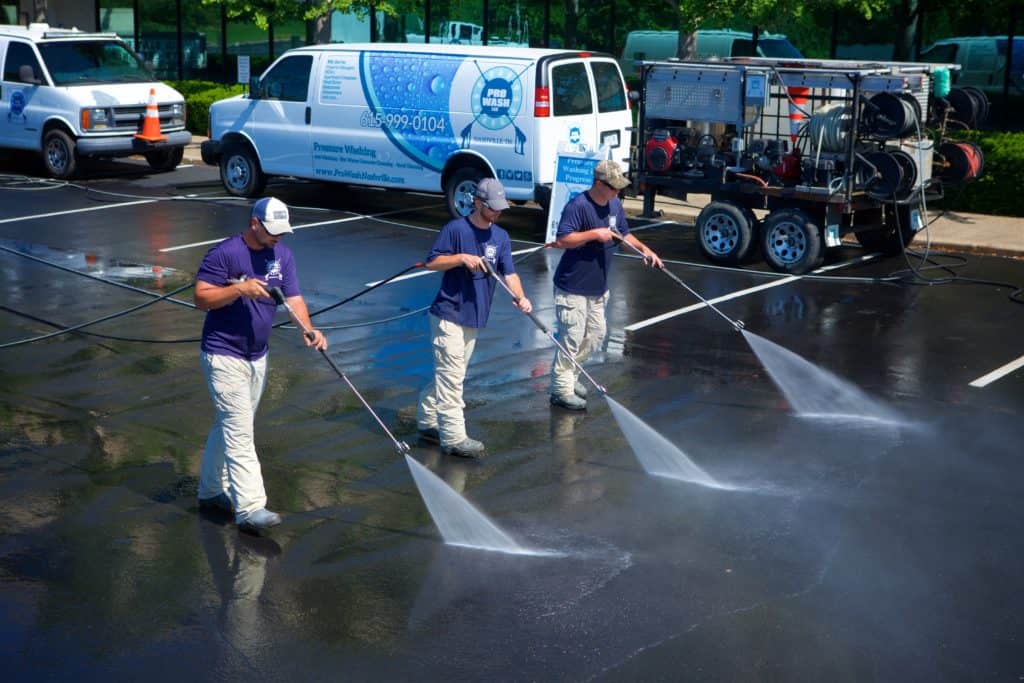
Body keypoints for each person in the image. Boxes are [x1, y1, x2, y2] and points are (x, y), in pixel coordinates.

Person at [194, 196, 327, 535]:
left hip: (258, 355)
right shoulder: (225, 253)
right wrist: (239, 289)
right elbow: (201, 297)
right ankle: (251, 508)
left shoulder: (282, 254)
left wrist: (308, 329)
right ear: (254, 223)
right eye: (272, 231)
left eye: (282, 231)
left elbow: (293, 298)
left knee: (231, 424)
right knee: (240, 431)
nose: (278, 238)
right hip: (224, 354)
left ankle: (210, 491)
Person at [417, 178, 532, 457]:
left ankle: (427, 418)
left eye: (500, 208)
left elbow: (510, 273)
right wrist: (460, 258)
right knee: (452, 377)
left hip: (474, 316)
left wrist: (521, 296)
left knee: (452, 374)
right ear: (478, 202)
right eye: (492, 208)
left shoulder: (501, 237)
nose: (497, 213)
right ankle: (454, 438)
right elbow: (433, 262)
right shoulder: (455, 229)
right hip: (449, 314)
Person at [549, 160, 663, 410]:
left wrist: (644, 250)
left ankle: (570, 375)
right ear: (599, 184)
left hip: (598, 288)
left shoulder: (614, 204)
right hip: (572, 287)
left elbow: (624, 234)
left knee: (595, 337)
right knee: (572, 338)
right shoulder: (578, 206)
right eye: (613, 187)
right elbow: (564, 239)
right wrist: (594, 234)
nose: (617, 191)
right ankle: (561, 389)